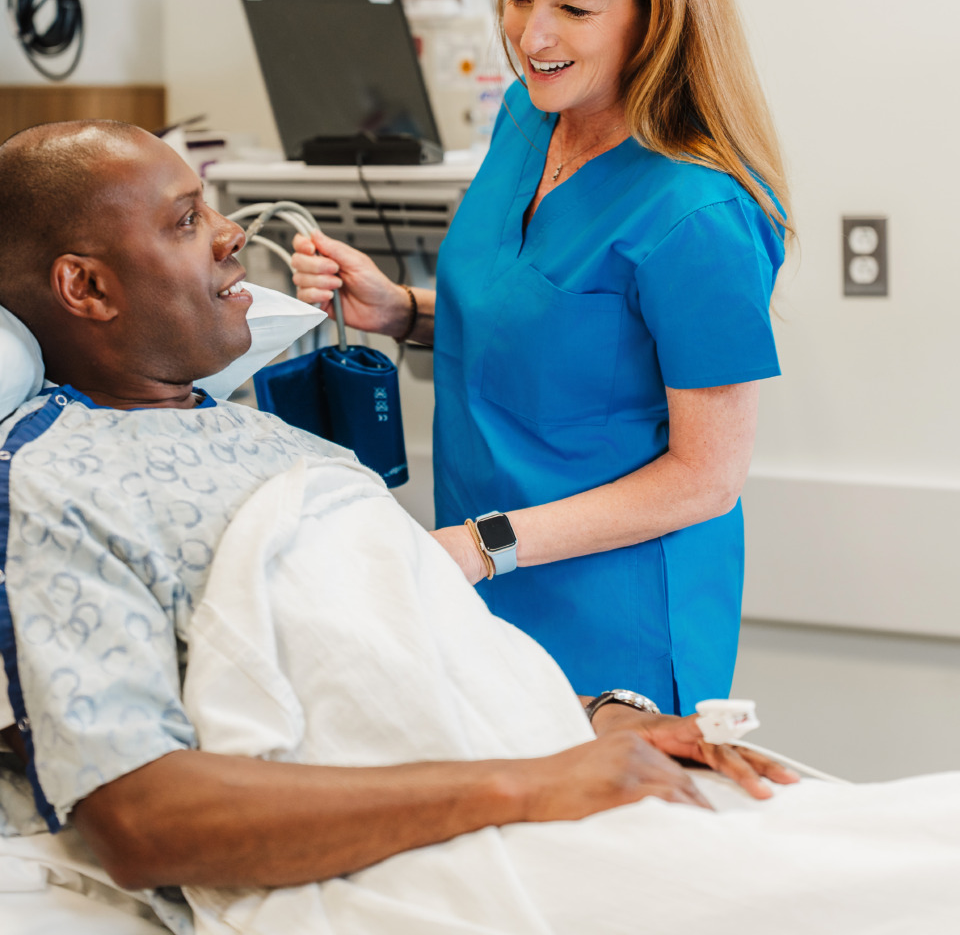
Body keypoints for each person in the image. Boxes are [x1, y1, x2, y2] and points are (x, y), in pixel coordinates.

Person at [0, 121, 793, 932]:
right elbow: (140, 817)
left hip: (530, 764)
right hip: (449, 845)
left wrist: (609, 717)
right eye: (186, 220)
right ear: (87, 289)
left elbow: (407, 652)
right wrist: (529, 783)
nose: (233, 232)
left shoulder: (277, 443)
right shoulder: (55, 484)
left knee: (834, 847)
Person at [291, 0, 789, 714]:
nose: (532, 37)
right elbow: (559, 330)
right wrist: (403, 311)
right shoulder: (530, 116)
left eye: (574, 8)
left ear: (656, 14)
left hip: (614, 619)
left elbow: (706, 476)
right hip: (486, 589)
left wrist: (485, 546)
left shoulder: (698, 215)